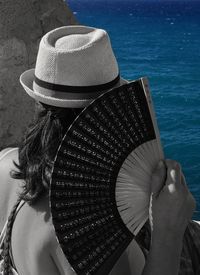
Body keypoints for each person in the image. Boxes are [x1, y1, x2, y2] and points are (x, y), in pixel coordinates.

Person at [0, 25, 199, 275]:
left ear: (39, 101)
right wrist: (168, 233)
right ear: (107, 114)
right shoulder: (85, 234)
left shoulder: (6, 164)